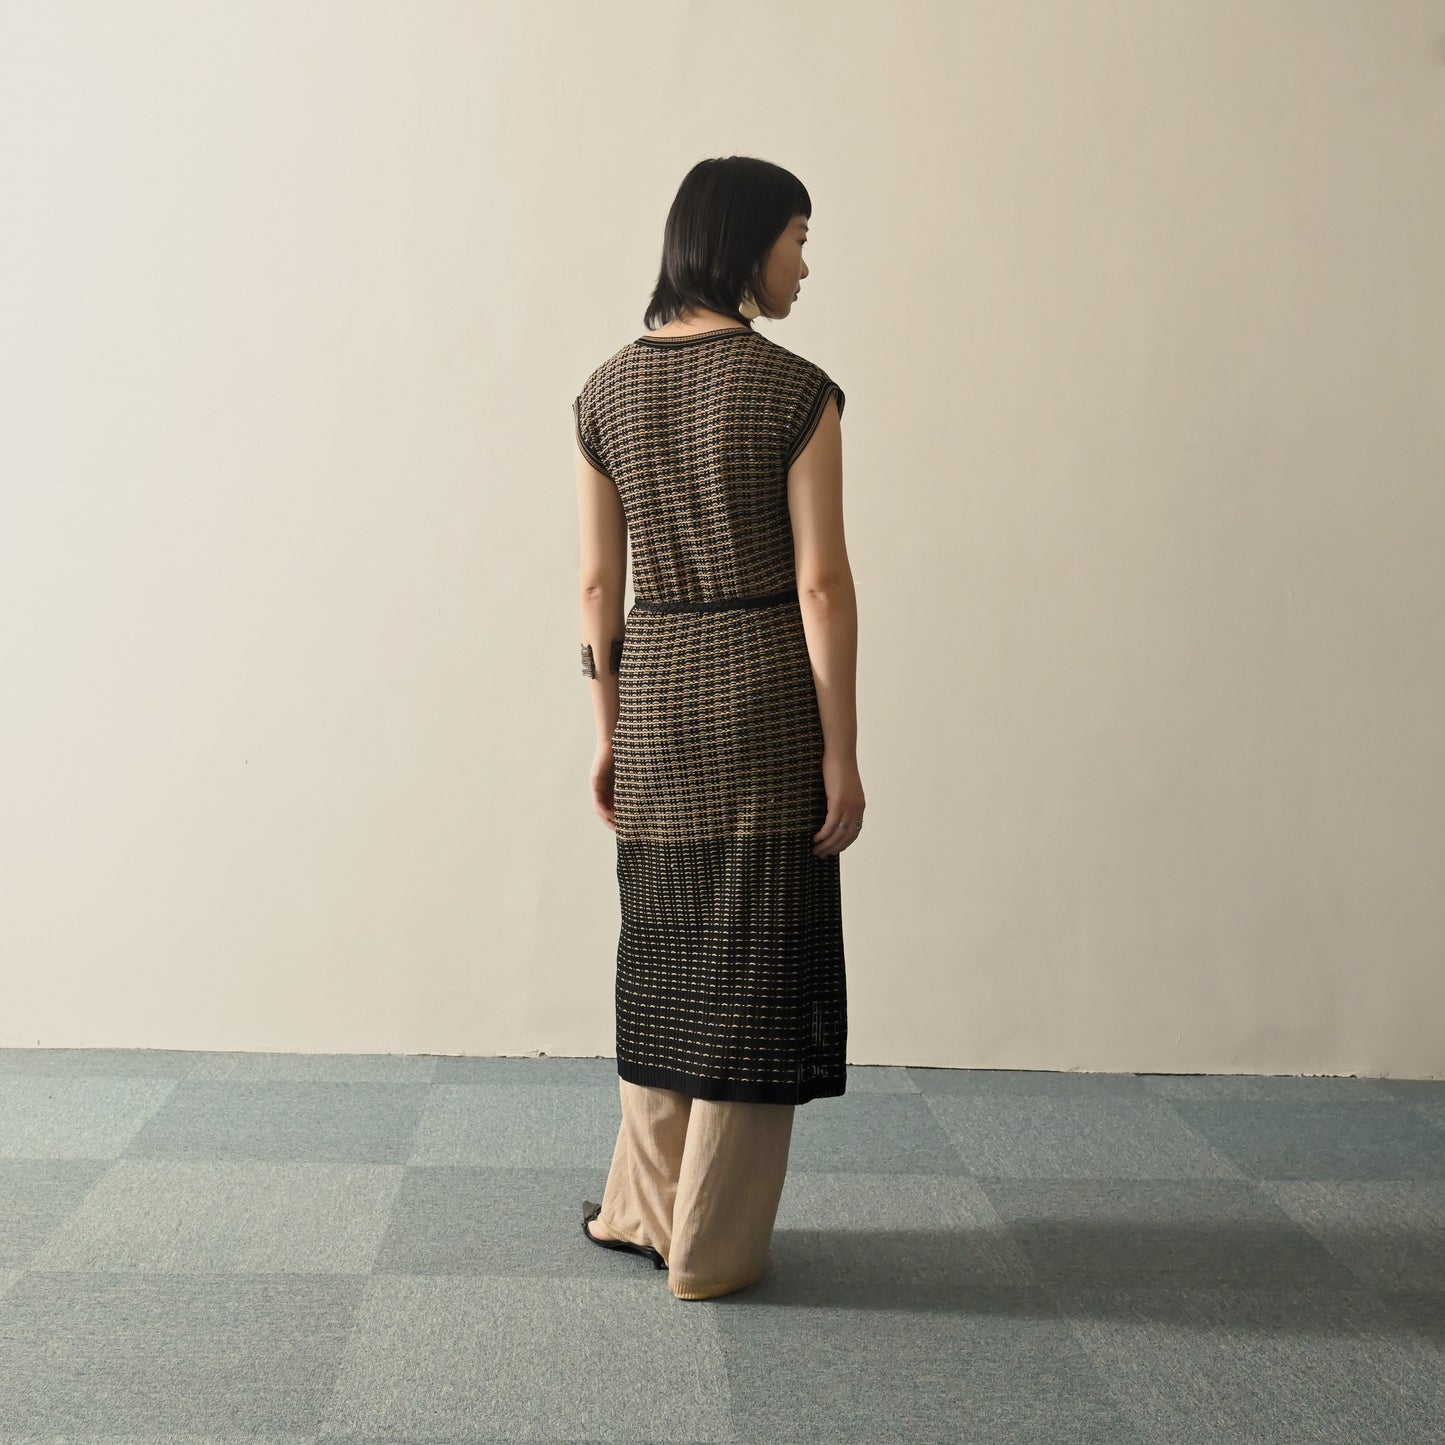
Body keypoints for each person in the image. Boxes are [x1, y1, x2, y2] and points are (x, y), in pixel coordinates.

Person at [572, 156, 865, 1300]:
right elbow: (821, 586)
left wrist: (608, 727)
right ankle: (712, 1246)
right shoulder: (795, 391)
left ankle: (640, 1212)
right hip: (760, 695)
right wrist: (839, 749)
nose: (804, 264)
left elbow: (597, 588)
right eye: (798, 238)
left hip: (654, 692)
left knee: (664, 949)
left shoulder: (603, 391)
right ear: (745, 242)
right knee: (756, 955)